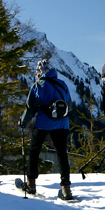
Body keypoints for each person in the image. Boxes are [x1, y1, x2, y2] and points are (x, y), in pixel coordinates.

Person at [20, 59, 73, 199]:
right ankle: (66, 188)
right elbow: (69, 104)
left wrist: (23, 122)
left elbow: (30, 107)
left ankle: (31, 184)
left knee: (34, 150)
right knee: (62, 154)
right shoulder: (63, 85)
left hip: (43, 123)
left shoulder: (39, 85)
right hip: (62, 124)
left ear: (40, 71)